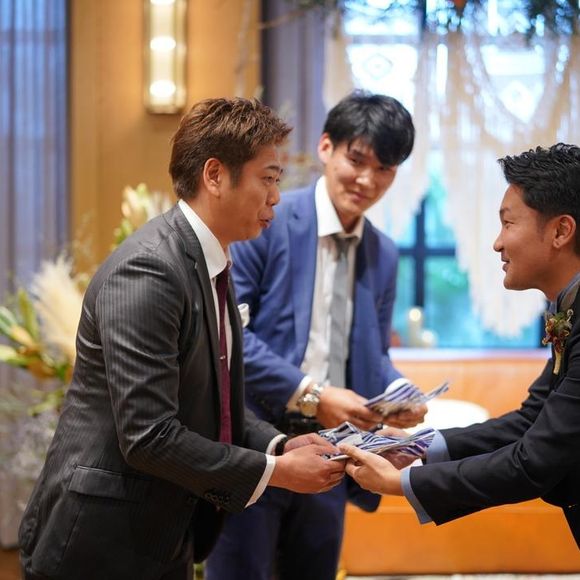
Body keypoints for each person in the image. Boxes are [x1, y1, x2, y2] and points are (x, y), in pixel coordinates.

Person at [18, 97, 346, 580]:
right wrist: (275, 473)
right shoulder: (149, 270)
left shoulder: (212, 261)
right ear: (215, 175)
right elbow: (148, 435)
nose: (276, 196)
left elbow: (214, 407)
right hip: (100, 541)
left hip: (162, 531)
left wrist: (279, 445)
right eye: (268, 178)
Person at [205, 91, 427, 580]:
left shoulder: (383, 253)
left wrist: (397, 393)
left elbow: (373, 354)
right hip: (255, 441)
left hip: (333, 451)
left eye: (385, 169)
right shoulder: (266, 221)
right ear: (326, 147)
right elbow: (230, 336)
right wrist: (314, 394)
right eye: (357, 160)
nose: (367, 180)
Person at [340, 143, 580, 549]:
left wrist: (401, 482)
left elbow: (534, 462)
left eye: (508, 223)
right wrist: (416, 447)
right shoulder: (567, 309)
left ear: (560, 231)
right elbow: (531, 420)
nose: (497, 244)